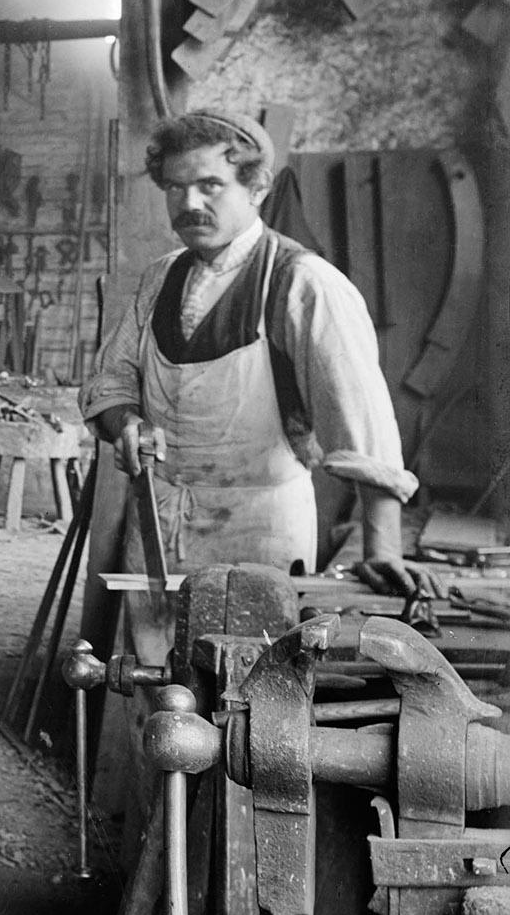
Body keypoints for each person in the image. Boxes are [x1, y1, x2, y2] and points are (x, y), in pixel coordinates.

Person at [80, 111, 423, 617]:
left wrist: (383, 549)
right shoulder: (159, 279)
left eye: (210, 185)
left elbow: (362, 422)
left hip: (260, 537)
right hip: (157, 528)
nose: (189, 203)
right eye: (175, 188)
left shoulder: (303, 282)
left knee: (247, 682)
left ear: (256, 187)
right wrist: (125, 421)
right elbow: (110, 380)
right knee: (149, 678)